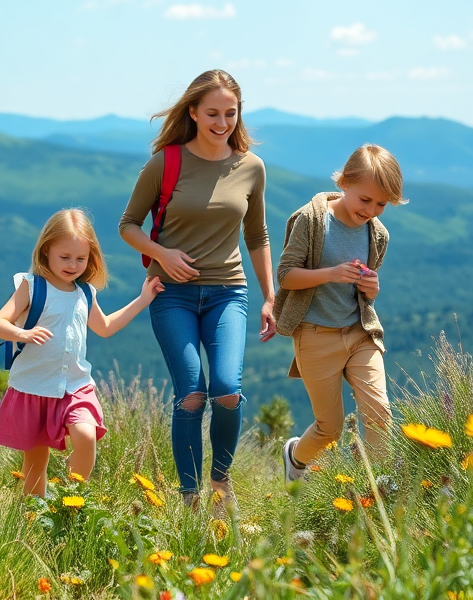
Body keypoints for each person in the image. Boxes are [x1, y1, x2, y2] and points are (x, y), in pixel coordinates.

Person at [119, 69, 276, 511]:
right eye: (212, 113)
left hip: (229, 292)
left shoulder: (251, 167)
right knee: (191, 393)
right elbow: (128, 225)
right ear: (192, 112)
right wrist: (161, 254)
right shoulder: (165, 162)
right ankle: (189, 499)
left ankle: (220, 484)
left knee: (226, 389)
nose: (222, 122)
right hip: (172, 294)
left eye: (231, 113)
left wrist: (270, 296)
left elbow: (257, 235)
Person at [0, 209, 164, 496]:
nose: (73, 265)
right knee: (35, 463)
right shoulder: (31, 287)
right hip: (34, 386)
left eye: (81, 259)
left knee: (85, 435)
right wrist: (22, 334)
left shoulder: (85, 293)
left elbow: (105, 327)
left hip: (76, 385)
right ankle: (34, 513)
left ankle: (71, 499)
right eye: (65, 257)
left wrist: (143, 299)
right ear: (46, 251)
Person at [273, 144, 406, 482]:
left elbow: (365, 293)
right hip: (316, 335)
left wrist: (371, 288)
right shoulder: (311, 220)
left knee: (379, 414)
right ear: (344, 182)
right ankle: (295, 458)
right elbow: (285, 276)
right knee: (329, 429)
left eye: (381, 204)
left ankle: (378, 490)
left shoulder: (378, 234)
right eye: (366, 199)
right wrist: (330, 273)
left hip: (360, 332)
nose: (372, 210)